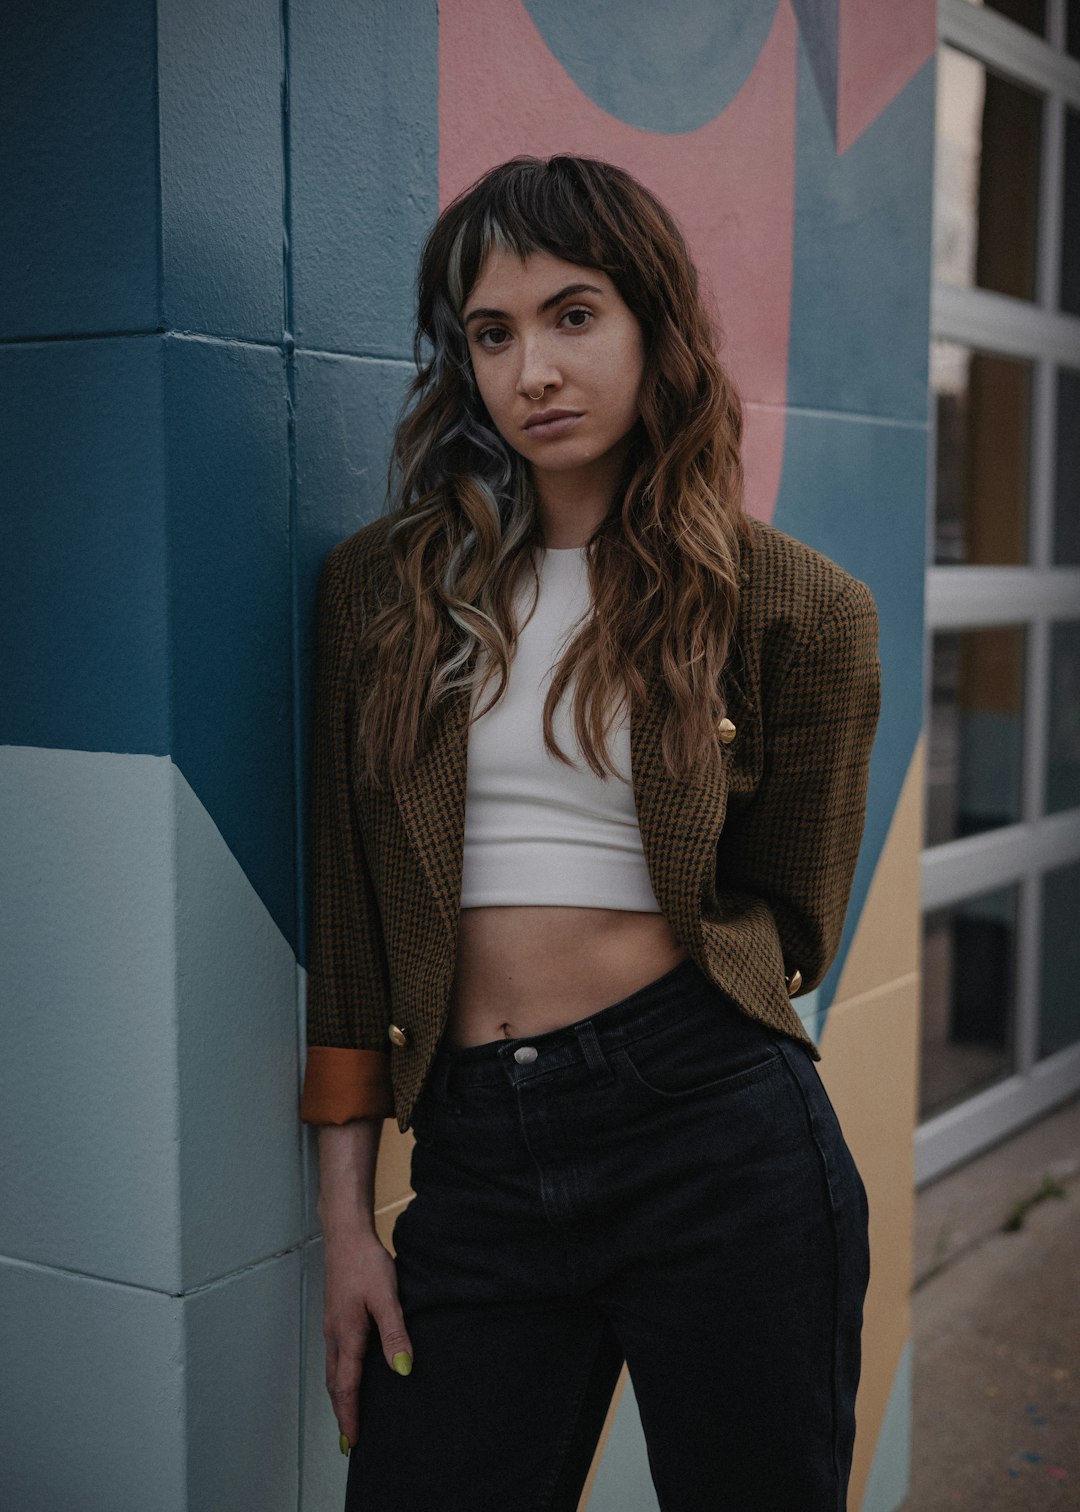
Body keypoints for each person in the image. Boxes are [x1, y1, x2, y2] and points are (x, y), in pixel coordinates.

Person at [300, 154, 881, 1512]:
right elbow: (348, 924)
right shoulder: (380, 596)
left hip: (715, 1137)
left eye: (573, 315)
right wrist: (344, 1222)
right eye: (492, 333)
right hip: (478, 1159)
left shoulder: (795, 611)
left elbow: (790, 919)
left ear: (652, 329)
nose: (533, 371)